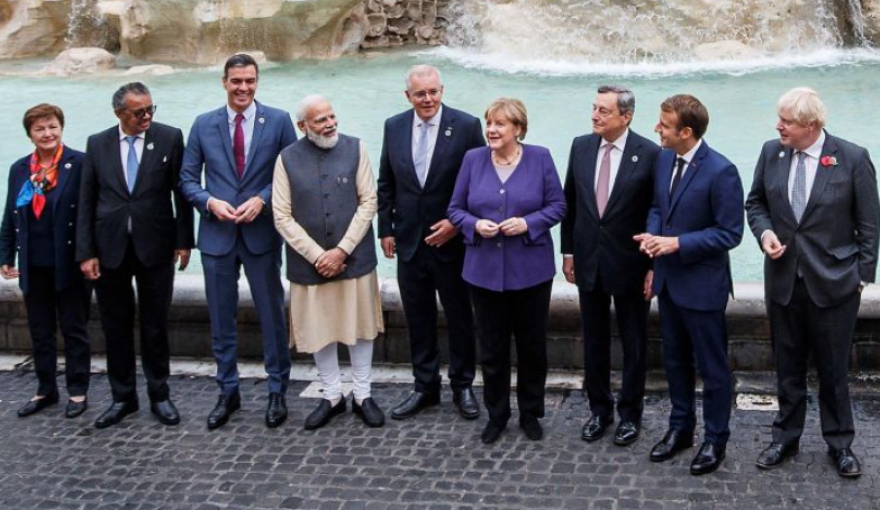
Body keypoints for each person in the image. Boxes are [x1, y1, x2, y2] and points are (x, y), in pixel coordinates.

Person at [745, 87, 879, 478]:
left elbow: (869, 224)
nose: (778, 126)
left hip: (835, 283)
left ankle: (840, 444)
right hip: (785, 279)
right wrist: (764, 233)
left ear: (812, 125)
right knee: (787, 366)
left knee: (834, 370)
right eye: (779, 119)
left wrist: (861, 278)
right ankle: (785, 436)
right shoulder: (772, 152)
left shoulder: (852, 158)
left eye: (786, 121)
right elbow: (756, 204)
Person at [180, 53, 298, 429]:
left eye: (249, 81)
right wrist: (209, 202)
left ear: (257, 82)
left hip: (261, 233)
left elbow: (289, 172)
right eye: (236, 81)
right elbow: (186, 180)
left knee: (272, 317)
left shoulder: (278, 121)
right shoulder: (203, 124)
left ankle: (277, 390)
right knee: (221, 319)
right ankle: (227, 390)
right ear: (224, 82)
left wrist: (262, 199)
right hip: (217, 236)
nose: (243, 88)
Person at [634, 94, 743, 475]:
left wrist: (677, 244)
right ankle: (680, 429)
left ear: (686, 131)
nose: (656, 129)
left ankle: (716, 440)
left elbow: (730, 234)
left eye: (663, 125)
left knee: (712, 369)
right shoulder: (664, 159)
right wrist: (652, 239)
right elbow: (658, 208)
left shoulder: (722, 170)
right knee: (675, 363)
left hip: (703, 286)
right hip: (669, 282)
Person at [448, 98, 566, 444]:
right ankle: (496, 414)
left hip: (531, 271)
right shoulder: (473, 159)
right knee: (492, 348)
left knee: (532, 347)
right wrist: (474, 224)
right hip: (483, 271)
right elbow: (454, 209)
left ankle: (531, 413)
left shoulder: (540, 157)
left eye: (500, 124)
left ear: (518, 128)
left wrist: (528, 223)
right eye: (489, 123)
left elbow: (558, 205)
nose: (492, 130)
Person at [77, 82, 194, 429]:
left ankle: (160, 395)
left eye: (150, 109)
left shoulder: (170, 137)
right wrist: (86, 252)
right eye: (138, 111)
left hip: (156, 246)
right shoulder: (97, 144)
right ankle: (122, 397)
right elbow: (87, 200)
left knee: (156, 325)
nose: (146, 116)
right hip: (109, 247)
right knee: (115, 326)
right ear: (119, 113)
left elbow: (181, 195)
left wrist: (184, 241)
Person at [377, 65, 485, 421]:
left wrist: (457, 224)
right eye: (420, 94)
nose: (428, 99)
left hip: (451, 243)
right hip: (409, 240)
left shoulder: (467, 126)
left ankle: (463, 385)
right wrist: (386, 229)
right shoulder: (393, 126)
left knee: (459, 317)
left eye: (433, 92)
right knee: (417, 318)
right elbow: (386, 182)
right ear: (407, 95)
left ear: (442, 90)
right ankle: (425, 387)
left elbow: (479, 183)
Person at [273, 95, 385, 430]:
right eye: (320, 120)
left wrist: (342, 250)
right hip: (310, 265)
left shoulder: (357, 148)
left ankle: (363, 395)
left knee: (361, 327)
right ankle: (332, 395)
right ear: (302, 126)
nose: (330, 123)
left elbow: (369, 201)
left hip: (355, 259)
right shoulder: (286, 159)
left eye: (332, 116)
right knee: (320, 329)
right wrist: (317, 255)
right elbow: (281, 215)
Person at [561, 85, 660, 446]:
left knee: (634, 343)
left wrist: (653, 266)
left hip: (631, 264)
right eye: (594, 109)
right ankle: (599, 409)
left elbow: (656, 212)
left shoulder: (649, 154)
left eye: (603, 111)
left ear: (626, 116)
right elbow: (570, 200)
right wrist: (568, 252)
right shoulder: (581, 146)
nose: (595, 116)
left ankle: (630, 415)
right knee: (594, 342)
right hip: (588, 260)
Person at [0, 104, 92, 419]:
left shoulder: (79, 163)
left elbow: (88, 216)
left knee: (74, 327)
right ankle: (45, 389)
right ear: (30, 135)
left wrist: (89, 254)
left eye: (52, 126)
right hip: (33, 261)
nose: (47, 133)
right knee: (40, 330)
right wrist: (6, 255)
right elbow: (10, 215)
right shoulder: (19, 169)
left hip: (69, 261)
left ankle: (78, 391)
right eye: (40, 129)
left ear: (61, 128)